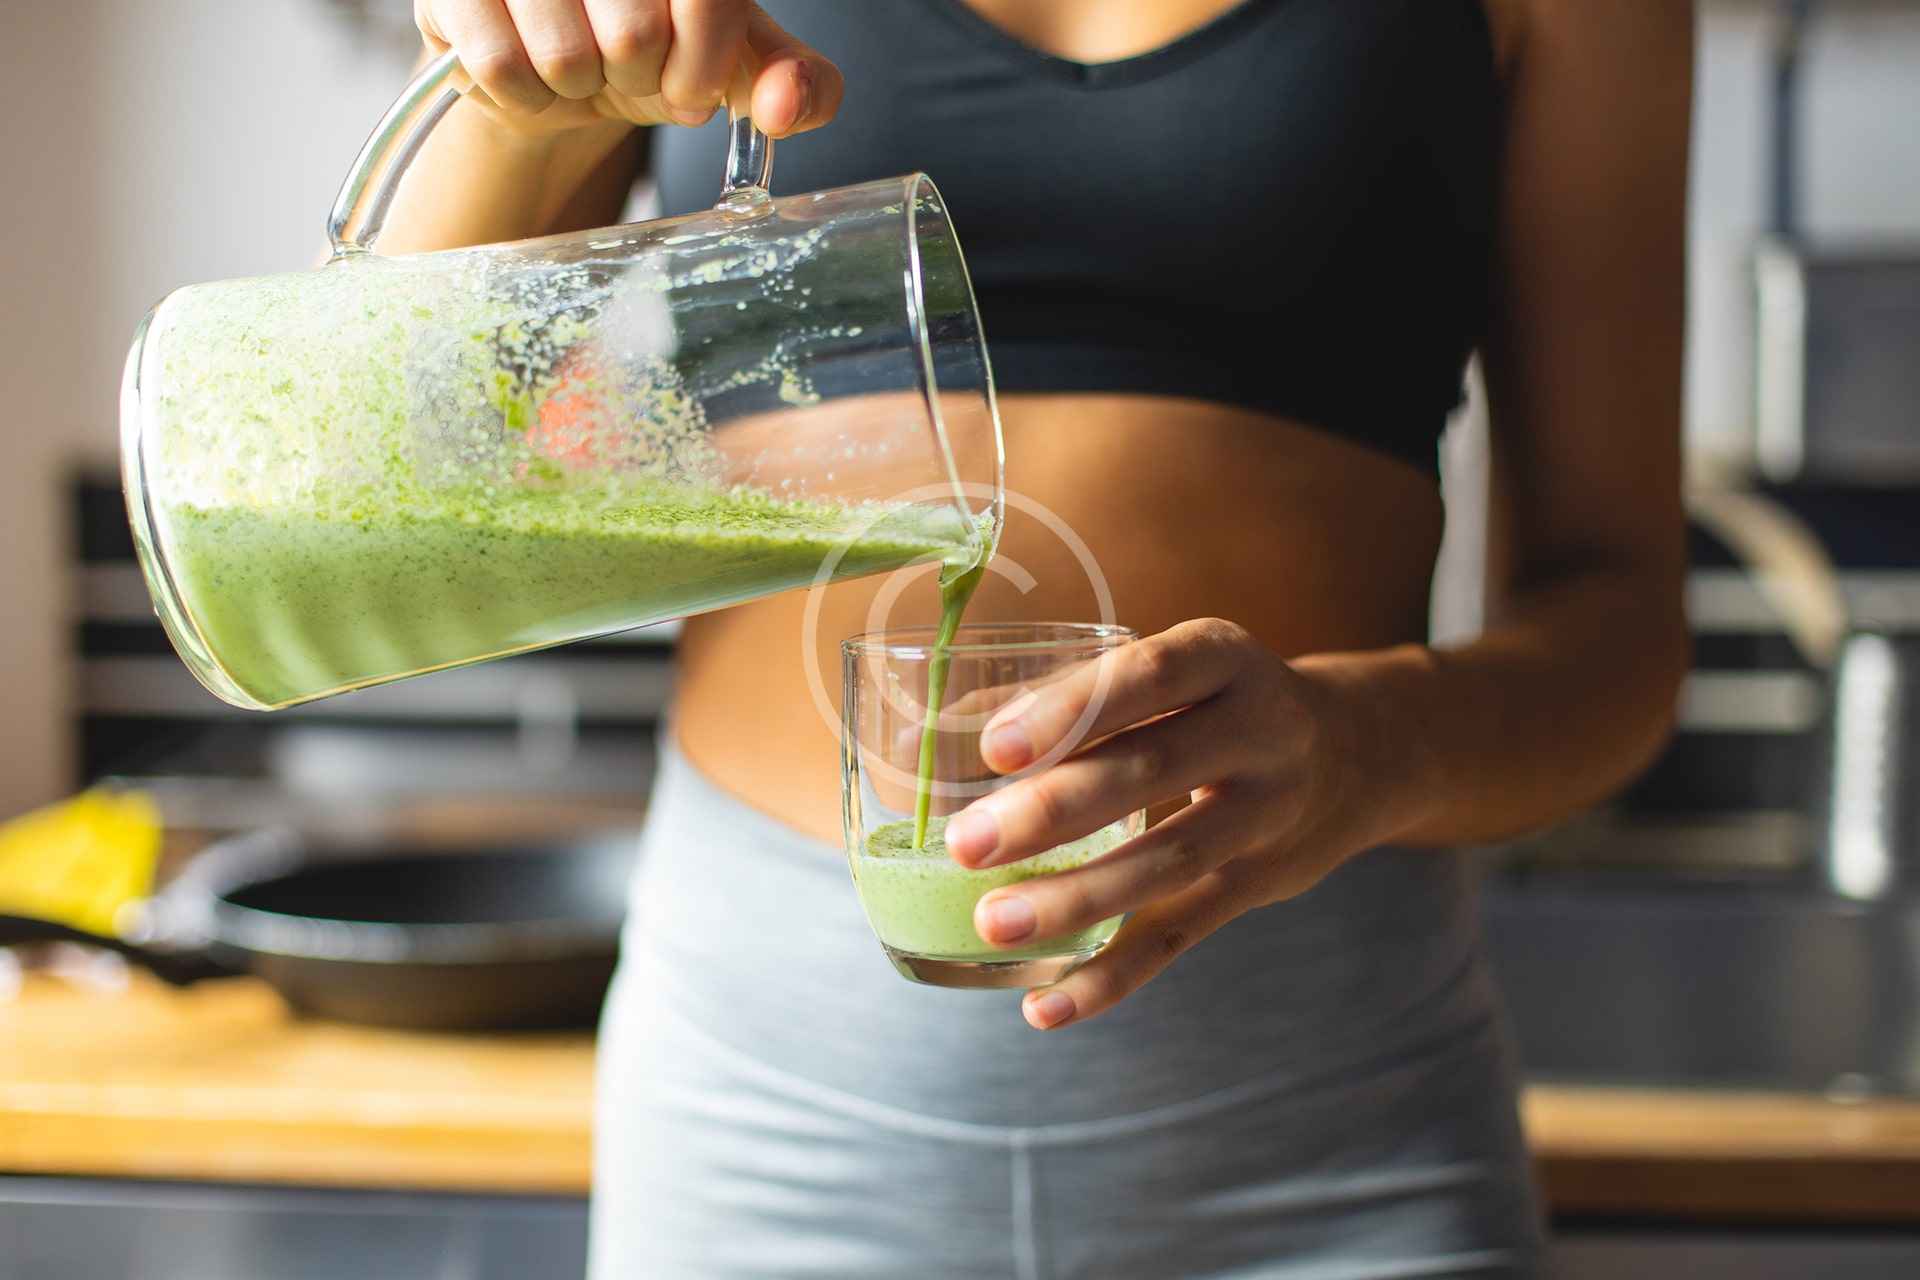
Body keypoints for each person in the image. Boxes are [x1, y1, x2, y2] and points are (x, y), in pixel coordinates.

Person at [385, 2, 1690, 1275]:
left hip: (1332, 1121)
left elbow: (1618, 622)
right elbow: (385, 478)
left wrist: (1368, 746)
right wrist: (511, 118)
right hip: (764, 1108)